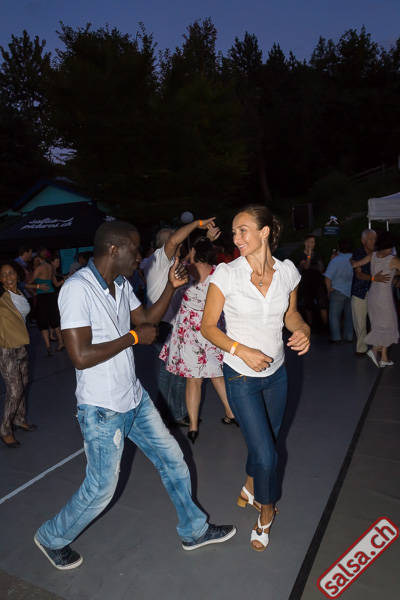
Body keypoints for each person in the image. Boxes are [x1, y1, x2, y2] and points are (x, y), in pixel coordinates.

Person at [34, 220, 236, 571]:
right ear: (114, 249)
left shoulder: (121, 283)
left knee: (173, 459)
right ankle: (51, 537)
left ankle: (194, 530)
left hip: (133, 397)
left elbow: (146, 321)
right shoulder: (77, 290)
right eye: (135, 248)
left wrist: (171, 288)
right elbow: (79, 355)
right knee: (101, 489)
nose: (140, 256)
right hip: (103, 408)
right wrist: (132, 338)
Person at [201, 204, 310, 552]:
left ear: (264, 232)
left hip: (277, 375)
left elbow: (291, 314)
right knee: (266, 454)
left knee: (268, 444)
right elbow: (207, 327)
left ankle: (250, 485)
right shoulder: (226, 275)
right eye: (234, 232)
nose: (236, 237)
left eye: (242, 230)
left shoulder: (287, 272)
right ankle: (266, 511)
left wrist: (303, 329)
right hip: (241, 376)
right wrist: (240, 350)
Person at [144, 218, 220, 426]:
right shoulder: (161, 259)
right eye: (177, 241)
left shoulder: (162, 262)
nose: (180, 243)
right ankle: (171, 414)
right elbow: (174, 244)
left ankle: (169, 413)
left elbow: (191, 258)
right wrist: (197, 224)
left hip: (165, 323)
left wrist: (205, 240)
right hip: (164, 324)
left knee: (173, 371)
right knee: (174, 373)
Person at [160, 237, 236, 444]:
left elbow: (174, 298)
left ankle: (193, 426)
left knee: (194, 380)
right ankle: (231, 414)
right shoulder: (218, 272)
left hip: (191, 330)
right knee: (216, 375)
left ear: (195, 253)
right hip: (210, 328)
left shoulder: (184, 271)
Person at [0, 261, 37, 448]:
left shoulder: (20, 292)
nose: (8, 278)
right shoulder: (1, 297)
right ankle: (5, 430)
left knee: (23, 383)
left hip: (21, 345)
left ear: (17, 274)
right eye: (3, 275)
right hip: (5, 348)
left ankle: (19, 419)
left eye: (11, 273)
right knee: (14, 390)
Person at [351, 231, 400, 367]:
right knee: (390, 326)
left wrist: (356, 265)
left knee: (380, 325)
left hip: (372, 295)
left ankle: (384, 357)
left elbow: (354, 264)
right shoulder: (393, 259)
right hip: (384, 297)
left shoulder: (372, 255)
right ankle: (374, 350)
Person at [32, 248, 64, 355]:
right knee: (54, 321)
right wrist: (65, 279)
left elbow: (28, 283)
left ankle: (48, 346)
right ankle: (61, 343)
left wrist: (37, 287)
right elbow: (56, 284)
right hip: (51, 296)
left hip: (42, 297)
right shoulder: (50, 267)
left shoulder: (39, 269)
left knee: (43, 323)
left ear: (38, 258)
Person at [323, 239, 354, 343]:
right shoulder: (355, 259)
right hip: (351, 290)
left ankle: (336, 337)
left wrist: (328, 290)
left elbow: (328, 277)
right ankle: (349, 336)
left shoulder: (336, 260)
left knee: (334, 316)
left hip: (337, 290)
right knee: (350, 316)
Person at [297, 234, 328, 328]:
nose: (312, 244)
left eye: (313, 242)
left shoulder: (317, 254)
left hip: (318, 283)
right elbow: (306, 266)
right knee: (308, 305)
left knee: (322, 304)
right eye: (310, 242)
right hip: (307, 283)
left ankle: (326, 327)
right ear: (305, 243)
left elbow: (322, 269)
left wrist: (320, 264)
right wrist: (309, 255)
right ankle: (310, 326)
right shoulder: (301, 254)